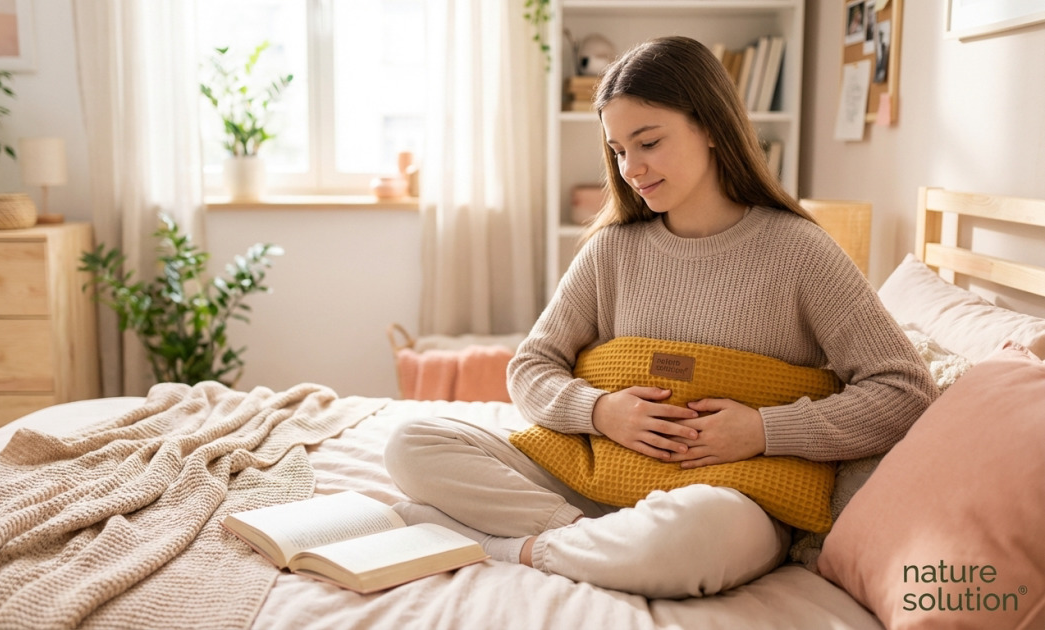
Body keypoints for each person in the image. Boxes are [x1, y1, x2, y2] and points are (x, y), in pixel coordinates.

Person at [383, 36, 937, 599]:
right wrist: (600, 412)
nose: (631, 168)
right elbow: (530, 367)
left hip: (725, 499)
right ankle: (593, 541)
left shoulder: (801, 252)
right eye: (618, 150)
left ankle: (518, 547)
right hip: (594, 478)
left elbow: (905, 389)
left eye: (648, 142)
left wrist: (764, 430)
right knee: (410, 442)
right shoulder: (612, 250)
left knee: (701, 534)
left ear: (712, 127)